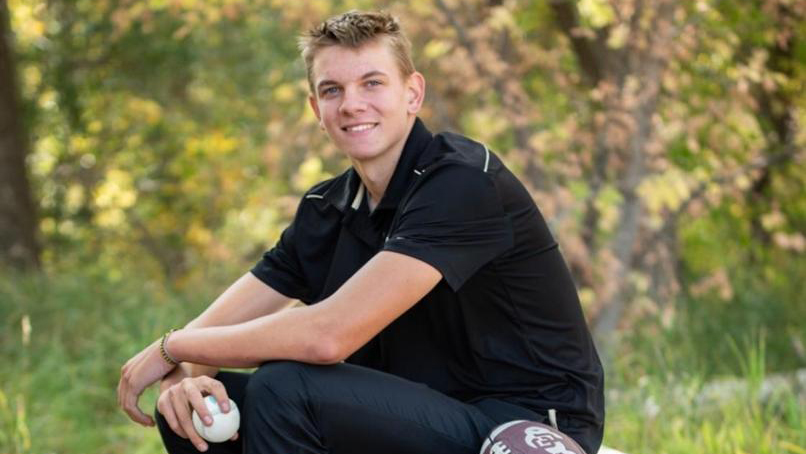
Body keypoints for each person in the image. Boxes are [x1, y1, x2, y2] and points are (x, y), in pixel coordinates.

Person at [117, 10, 604, 454]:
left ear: (413, 92)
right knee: (195, 412)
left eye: (372, 83)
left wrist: (172, 348)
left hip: (522, 425)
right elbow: (214, 332)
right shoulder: (327, 208)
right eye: (333, 90)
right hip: (418, 415)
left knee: (286, 386)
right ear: (316, 109)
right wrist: (184, 378)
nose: (352, 104)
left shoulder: (463, 181)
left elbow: (327, 337)